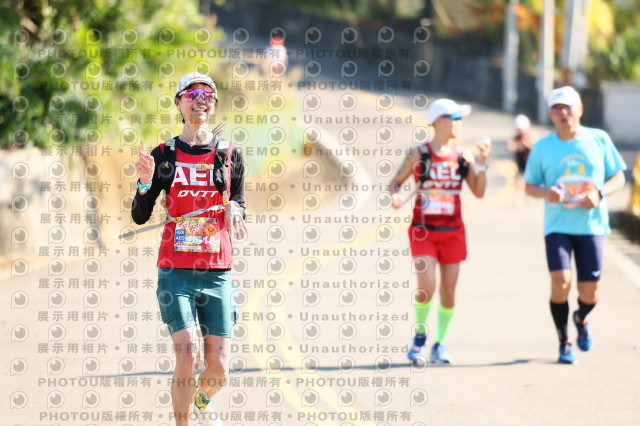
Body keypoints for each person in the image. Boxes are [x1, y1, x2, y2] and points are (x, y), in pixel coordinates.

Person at [132, 72, 247, 425]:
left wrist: (235, 209)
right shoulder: (164, 154)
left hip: (217, 270)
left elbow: (240, 202)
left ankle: (202, 399)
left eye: (208, 95)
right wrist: (145, 182)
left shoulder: (229, 154)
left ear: (214, 105)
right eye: (192, 94)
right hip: (175, 270)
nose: (201, 101)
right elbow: (139, 215)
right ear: (179, 102)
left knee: (220, 368)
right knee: (186, 353)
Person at [524, 86, 626, 364]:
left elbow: (619, 177)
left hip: (591, 227)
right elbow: (529, 185)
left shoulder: (599, 139)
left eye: (568, 107)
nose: (563, 113)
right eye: (556, 108)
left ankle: (581, 318)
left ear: (580, 109)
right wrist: (547, 193)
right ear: (550, 114)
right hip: (557, 226)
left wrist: (599, 194)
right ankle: (564, 341)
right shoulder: (542, 147)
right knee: (561, 282)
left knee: (590, 292)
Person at [390, 98, 491, 364]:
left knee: (448, 292)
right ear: (439, 121)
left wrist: (482, 163)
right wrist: (395, 196)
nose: (459, 123)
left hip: (453, 232)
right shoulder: (420, 153)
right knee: (427, 285)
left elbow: (479, 192)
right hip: (423, 231)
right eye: (455, 118)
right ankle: (419, 339)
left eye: (460, 119)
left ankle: (440, 344)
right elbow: (396, 182)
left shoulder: (463, 155)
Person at [507, 114, 535, 202]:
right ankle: (519, 193)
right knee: (520, 175)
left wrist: (527, 144)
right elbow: (510, 146)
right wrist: (519, 146)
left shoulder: (530, 135)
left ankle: (529, 192)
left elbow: (535, 145)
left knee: (530, 177)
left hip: (529, 160)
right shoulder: (517, 137)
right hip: (521, 160)